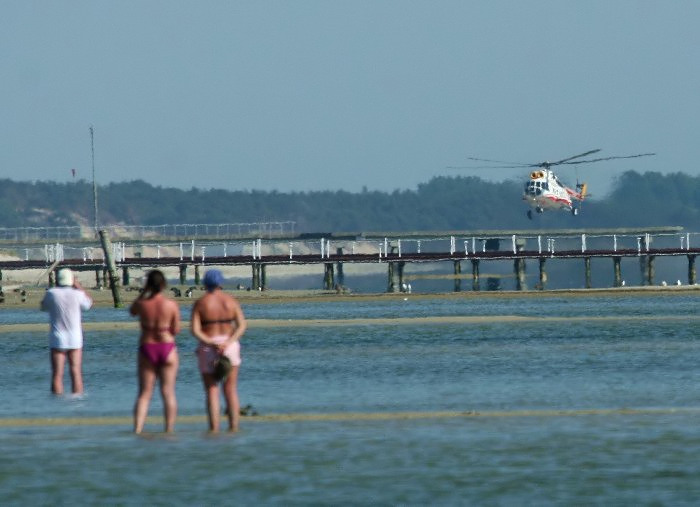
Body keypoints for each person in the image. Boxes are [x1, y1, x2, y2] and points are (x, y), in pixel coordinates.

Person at [191, 269, 247, 432]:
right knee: (230, 389)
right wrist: (229, 341)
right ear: (221, 283)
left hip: (208, 347)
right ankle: (234, 427)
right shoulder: (230, 301)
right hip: (230, 346)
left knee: (212, 390)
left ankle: (214, 429)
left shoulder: (201, 303)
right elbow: (242, 325)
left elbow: (195, 330)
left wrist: (212, 343)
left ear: (205, 283)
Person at [129, 270, 181, 434]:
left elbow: (132, 311)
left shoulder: (142, 304)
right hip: (167, 347)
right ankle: (169, 429)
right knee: (168, 392)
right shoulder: (171, 304)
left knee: (144, 393)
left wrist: (144, 292)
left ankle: (138, 429)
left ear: (148, 284)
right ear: (163, 284)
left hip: (147, 346)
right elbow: (176, 329)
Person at [41, 268, 93, 395]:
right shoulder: (77, 294)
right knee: (76, 371)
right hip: (75, 337)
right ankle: (77, 399)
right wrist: (78, 285)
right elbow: (89, 304)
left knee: (57, 373)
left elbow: (43, 307)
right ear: (71, 280)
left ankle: (57, 402)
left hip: (58, 337)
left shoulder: (52, 293)